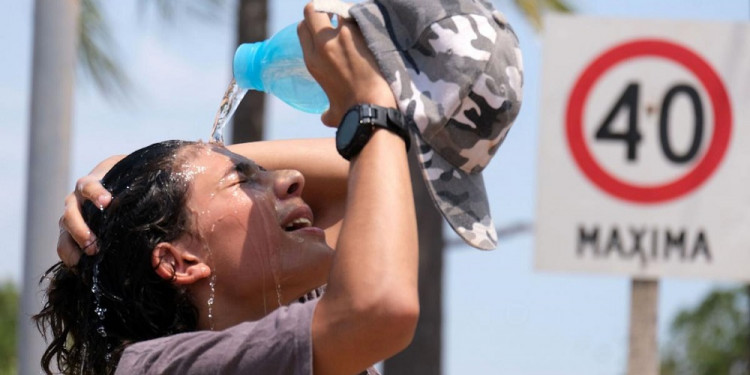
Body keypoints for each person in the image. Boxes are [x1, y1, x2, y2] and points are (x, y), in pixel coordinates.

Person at [36, 4, 418, 375]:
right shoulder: (160, 367)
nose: (293, 178)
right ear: (179, 261)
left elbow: (374, 168)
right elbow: (379, 307)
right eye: (242, 181)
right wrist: (370, 107)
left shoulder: (283, 312)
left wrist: (161, 162)